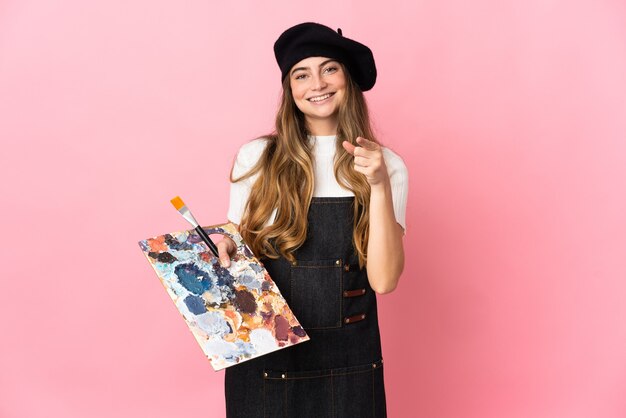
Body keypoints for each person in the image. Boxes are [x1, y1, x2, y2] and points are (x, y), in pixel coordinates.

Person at [217, 22, 408, 418]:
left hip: (350, 363)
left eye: (329, 69)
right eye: (301, 74)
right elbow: (237, 247)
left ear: (347, 77)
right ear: (289, 90)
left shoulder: (386, 165)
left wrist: (379, 186)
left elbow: (385, 281)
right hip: (267, 361)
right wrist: (226, 247)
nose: (316, 83)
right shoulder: (256, 158)